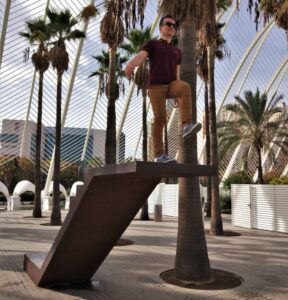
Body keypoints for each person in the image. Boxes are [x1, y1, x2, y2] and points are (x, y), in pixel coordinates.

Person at [124, 15, 201, 163]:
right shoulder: (153, 44)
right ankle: (159, 156)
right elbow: (141, 56)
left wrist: (178, 94)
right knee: (160, 119)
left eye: (174, 26)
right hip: (156, 87)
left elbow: (177, 73)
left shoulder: (177, 51)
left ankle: (186, 125)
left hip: (171, 85)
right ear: (160, 27)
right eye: (168, 24)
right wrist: (130, 64)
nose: (172, 27)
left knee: (184, 86)